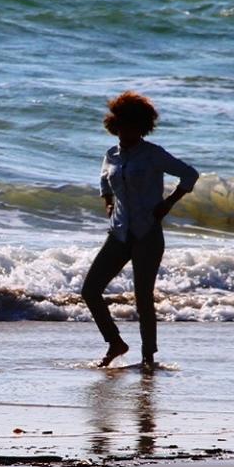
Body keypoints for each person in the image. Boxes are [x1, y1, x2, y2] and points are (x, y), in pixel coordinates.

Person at [81, 91, 198, 371]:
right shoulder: (111, 155)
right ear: (114, 124)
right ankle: (115, 343)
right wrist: (108, 204)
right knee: (90, 290)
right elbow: (104, 183)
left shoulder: (153, 154)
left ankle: (148, 357)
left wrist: (169, 203)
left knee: (143, 296)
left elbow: (190, 174)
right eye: (121, 125)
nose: (125, 131)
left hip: (147, 233)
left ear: (142, 127)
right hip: (119, 232)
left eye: (132, 126)